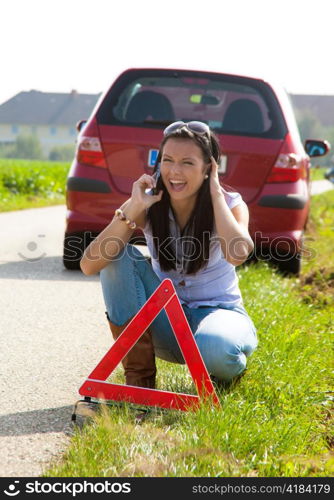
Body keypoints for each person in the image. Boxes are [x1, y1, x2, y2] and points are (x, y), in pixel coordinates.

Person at [80, 121, 258, 390]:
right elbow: (89, 264)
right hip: (166, 324)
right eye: (168, 160)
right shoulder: (148, 201)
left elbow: (238, 255)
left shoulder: (231, 203)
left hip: (219, 316)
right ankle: (139, 383)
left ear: (208, 168)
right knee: (116, 256)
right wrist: (133, 209)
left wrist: (216, 195)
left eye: (187, 162)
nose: (175, 171)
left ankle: (224, 370)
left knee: (216, 349)